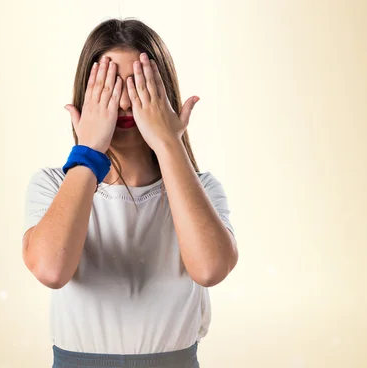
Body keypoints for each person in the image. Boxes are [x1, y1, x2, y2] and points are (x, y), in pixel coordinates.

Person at [22, 17, 239, 368]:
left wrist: (169, 142)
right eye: (109, 86)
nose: (123, 103)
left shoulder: (203, 190)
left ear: (163, 90)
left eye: (138, 85)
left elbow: (211, 269)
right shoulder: (51, 185)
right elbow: (51, 270)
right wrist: (89, 149)